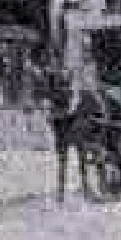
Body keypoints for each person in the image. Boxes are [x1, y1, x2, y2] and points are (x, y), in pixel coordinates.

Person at [69, 67, 109, 200]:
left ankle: (101, 187)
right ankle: (88, 188)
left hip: (94, 134)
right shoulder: (80, 99)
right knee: (87, 161)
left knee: (98, 161)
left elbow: (104, 116)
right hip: (85, 134)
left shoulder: (97, 97)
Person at [46, 66, 75, 201]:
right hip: (63, 124)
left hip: (64, 123)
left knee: (62, 160)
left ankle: (61, 190)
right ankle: (61, 190)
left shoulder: (63, 92)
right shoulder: (64, 92)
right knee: (62, 159)